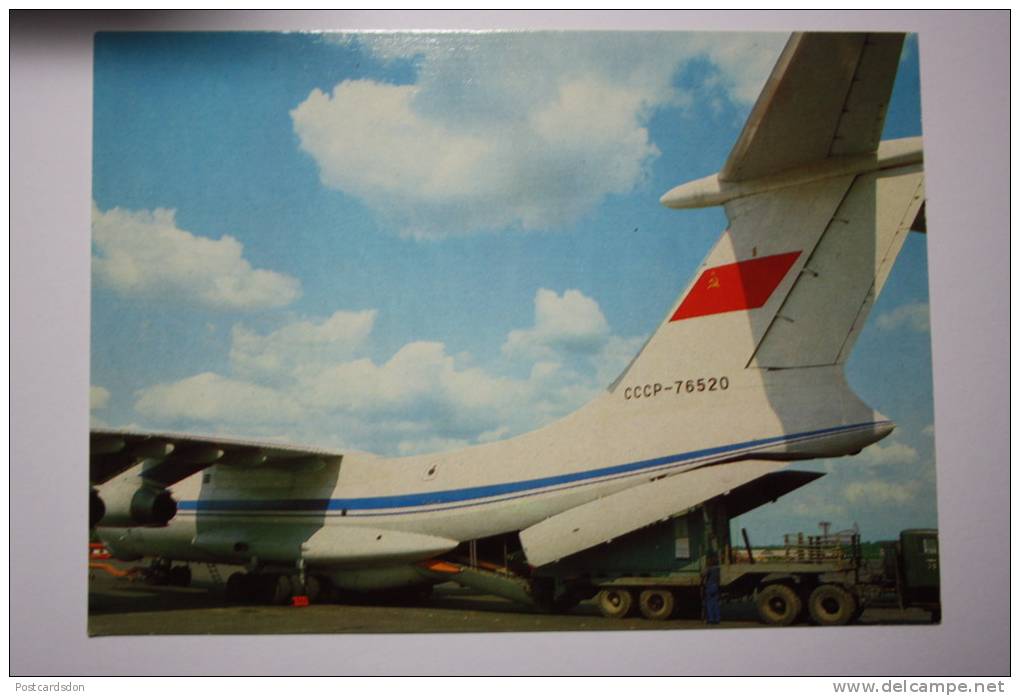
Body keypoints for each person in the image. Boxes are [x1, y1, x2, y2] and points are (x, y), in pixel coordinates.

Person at [703, 552, 721, 625]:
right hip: (716, 586)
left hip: (710, 586)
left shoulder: (709, 568)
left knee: (709, 604)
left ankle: (710, 619)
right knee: (715, 603)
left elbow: (703, 574)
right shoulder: (718, 568)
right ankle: (717, 619)